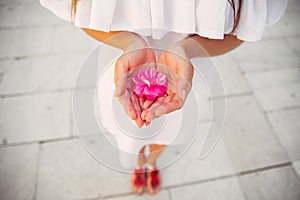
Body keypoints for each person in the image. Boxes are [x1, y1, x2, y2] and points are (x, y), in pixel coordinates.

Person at [40, 0, 288, 195]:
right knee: (131, 128)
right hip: (124, 65)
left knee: (168, 129)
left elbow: (242, 29)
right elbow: (82, 12)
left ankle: (151, 164)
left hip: (184, 72)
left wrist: (184, 49)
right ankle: (139, 163)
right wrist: (131, 42)